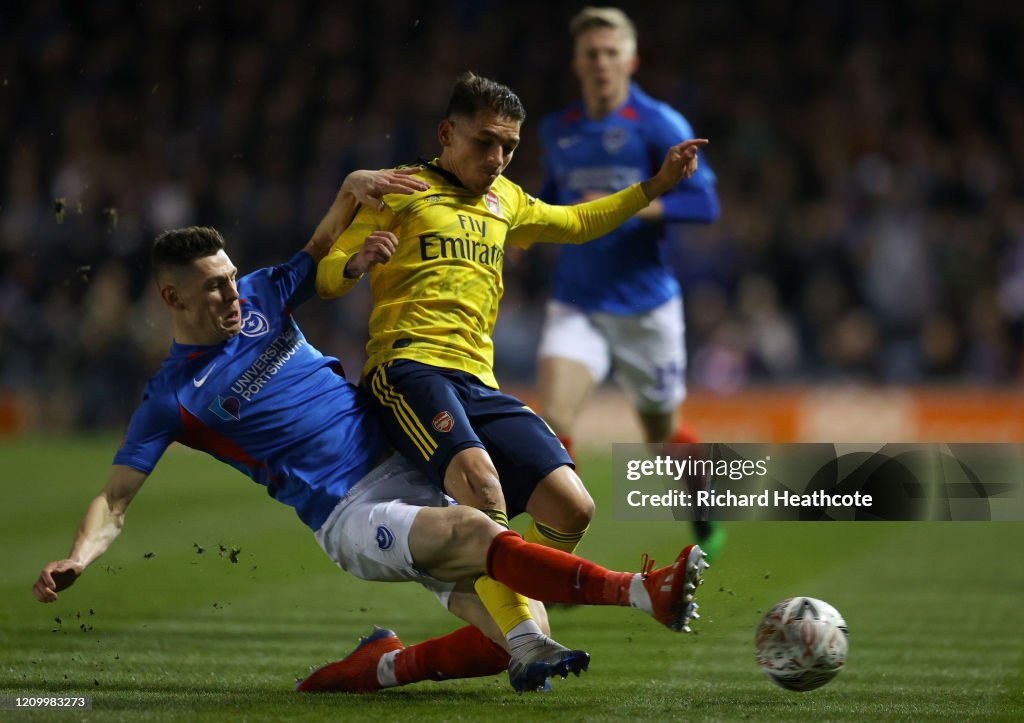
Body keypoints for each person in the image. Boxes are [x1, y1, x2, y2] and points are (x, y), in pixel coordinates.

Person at [31, 169, 709, 695]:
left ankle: (377, 666)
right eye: (212, 288)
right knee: (481, 532)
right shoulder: (172, 398)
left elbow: (323, 251)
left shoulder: (265, 296)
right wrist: (79, 556)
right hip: (351, 509)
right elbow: (115, 499)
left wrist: (353, 198)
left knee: (513, 636)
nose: (232, 295)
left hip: (408, 462)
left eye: (232, 279)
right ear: (171, 297)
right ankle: (640, 592)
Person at [315, 71, 707, 658]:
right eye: (485, 142)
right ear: (447, 133)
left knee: (572, 505)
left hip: (478, 381)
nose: (498, 157)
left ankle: (515, 614)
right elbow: (326, 275)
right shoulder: (398, 189)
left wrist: (652, 187)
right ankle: (527, 642)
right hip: (409, 368)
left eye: (509, 147)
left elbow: (576, 224)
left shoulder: (508, 201)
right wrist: (354, 262)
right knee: (483, 489)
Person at [535, 7, 725, 558]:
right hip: (578, 299)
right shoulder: (557, 130)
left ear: (631, 60)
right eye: (591, 54)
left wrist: (627, 206)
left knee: (663, 434)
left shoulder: (659, 124)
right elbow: (552, 197)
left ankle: (702, 504)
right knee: (554, 422)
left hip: (645, 306)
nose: (600, 63)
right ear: (577, 62)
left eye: (610, 53)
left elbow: (704, 202)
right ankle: (557, 558)